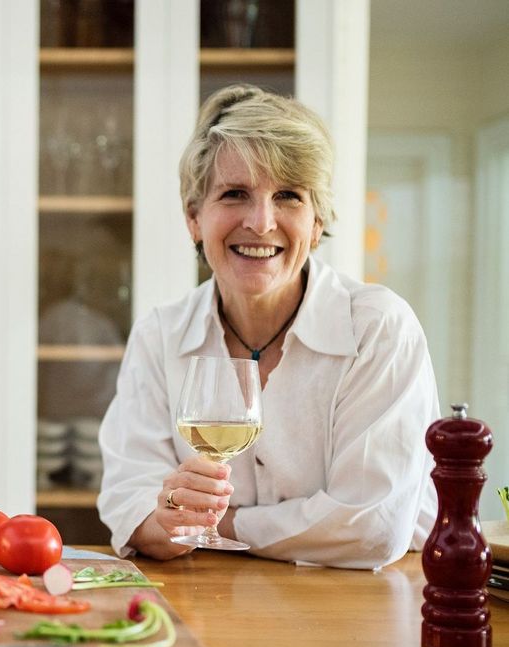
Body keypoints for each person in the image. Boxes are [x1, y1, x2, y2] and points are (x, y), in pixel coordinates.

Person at [97, 84, 439, 570]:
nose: (260, 222)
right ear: (194, 217)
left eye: (288, 196)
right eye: (235, 194)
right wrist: (167, 520)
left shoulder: (377, 329)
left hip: (367, 611)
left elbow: (370, 526)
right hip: (208, 604)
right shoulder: (160, 335)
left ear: (317, 222)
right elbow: (128, 503)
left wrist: (216, 524)